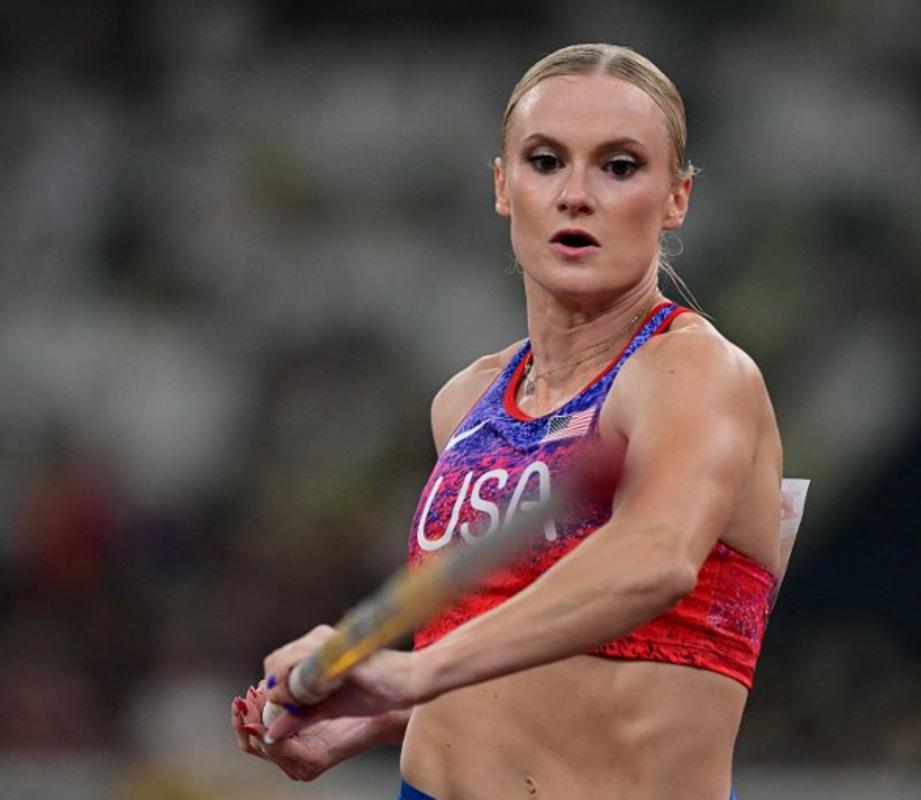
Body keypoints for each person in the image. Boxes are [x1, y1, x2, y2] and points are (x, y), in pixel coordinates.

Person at [231, 42, 784, 799]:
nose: (575, 194)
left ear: (677, 197)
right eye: (545, 160)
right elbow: (504, 649)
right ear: (503, 185)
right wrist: (376, 714)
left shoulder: (694, 373)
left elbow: (653, 559)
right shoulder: (466, 401)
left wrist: (413, 670)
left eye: (619, 166)